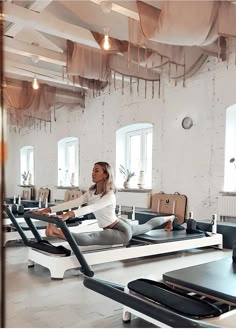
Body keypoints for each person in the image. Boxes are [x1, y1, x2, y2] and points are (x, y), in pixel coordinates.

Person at [36, 161, 178, 246]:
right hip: (121, 223)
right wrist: (48, 209)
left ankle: (56, 231)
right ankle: (170, 218)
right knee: (147, 226)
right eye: (92, 170)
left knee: (90, 238)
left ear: (105, 174)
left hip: (120, 230)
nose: (92, 173)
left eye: (96, 171)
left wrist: (68, 215)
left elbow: (92, 208)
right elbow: (74, 202)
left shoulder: (109, 195)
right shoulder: (91, 192)